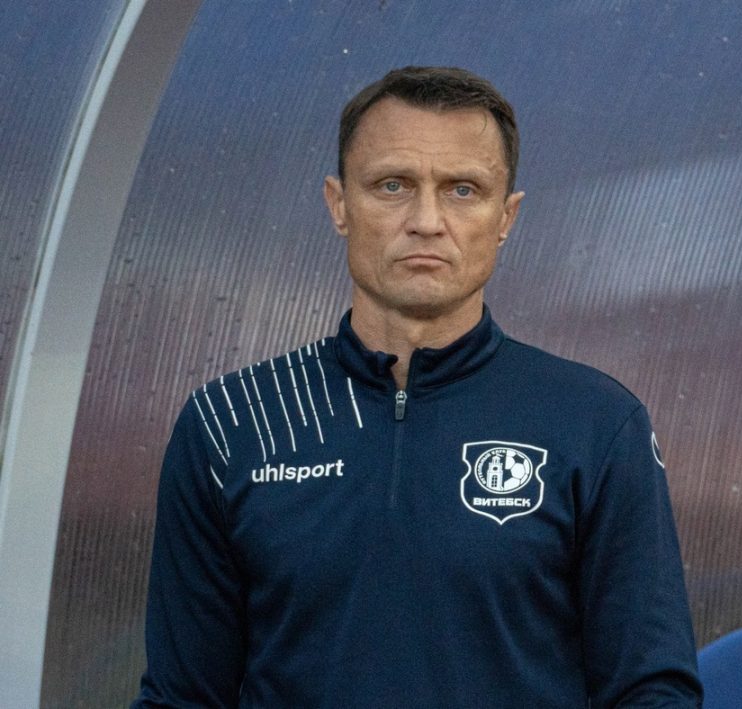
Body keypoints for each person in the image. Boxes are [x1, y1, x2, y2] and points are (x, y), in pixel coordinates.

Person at [133, 66, 701, 707]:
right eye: (392, 185)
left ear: (506, 216)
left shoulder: (596, 424)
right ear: (339, 204)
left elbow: (651, 692)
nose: (426, 220)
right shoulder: (232, 423)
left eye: (463, 189)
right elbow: (183, 697)